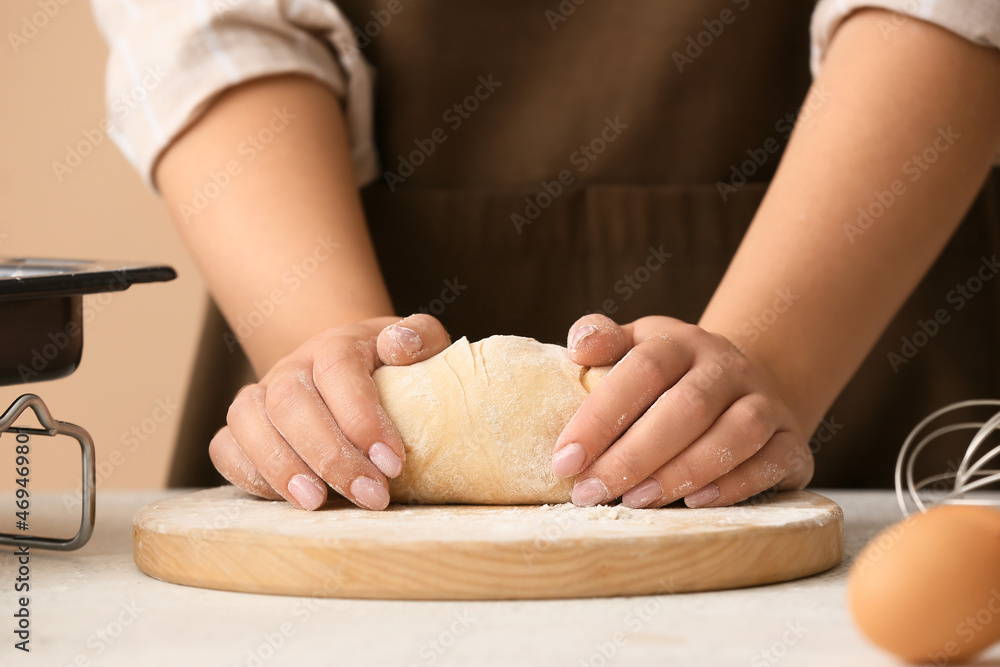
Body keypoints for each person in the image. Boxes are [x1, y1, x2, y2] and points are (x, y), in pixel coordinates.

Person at [91, 0, 1000, 512]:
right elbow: (209, 31)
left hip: (860, 320)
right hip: (330, 249)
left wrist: (773, 359)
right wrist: (338, 373)